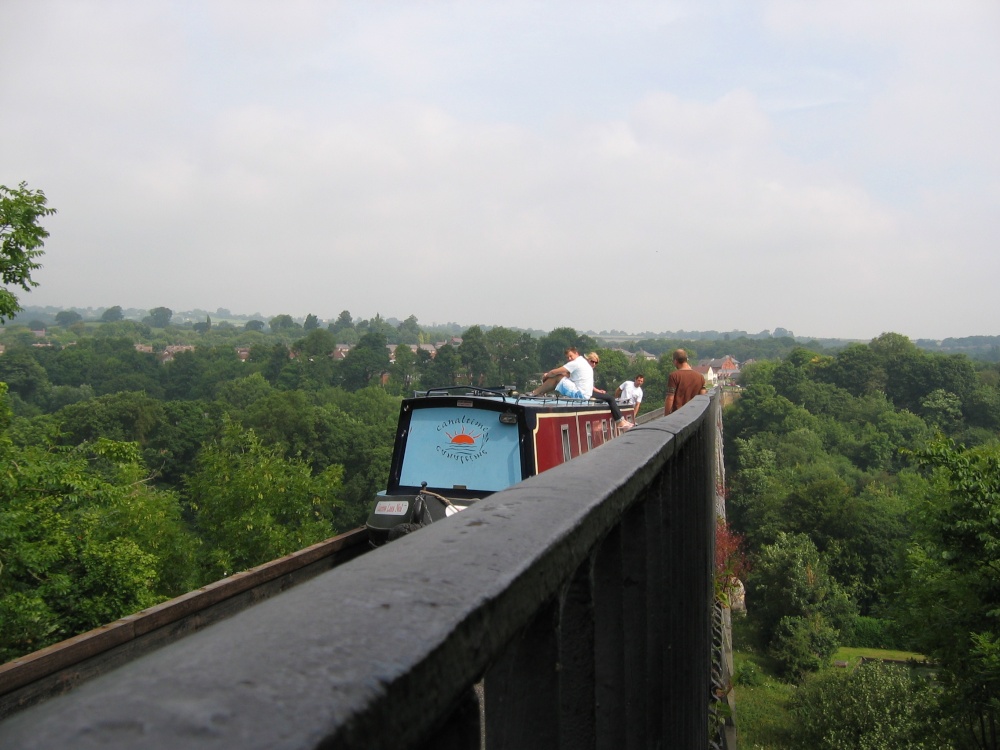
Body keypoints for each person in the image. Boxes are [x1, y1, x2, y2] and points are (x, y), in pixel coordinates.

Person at [584, 353, 632, 431]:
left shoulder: (588, 369)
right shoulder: (586, 370)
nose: (594, 364)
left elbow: (590, 386)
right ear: (588, 360)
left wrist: (599, 391)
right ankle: (620, 422)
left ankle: (622, 420)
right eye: (592, 361)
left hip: (588, 391)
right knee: (611, 399)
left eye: (596, 362)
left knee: (607, 397)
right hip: (586, 393)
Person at [528, 345, 594, 399]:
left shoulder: (576, 363)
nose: (569, 359)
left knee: (557, 377)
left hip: (579, 395)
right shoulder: (583, 362)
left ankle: (535, 392)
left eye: (571, 356)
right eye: (567, 358)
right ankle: (541, 393)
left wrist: (546, 375)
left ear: (576, 353)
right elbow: (567, 376)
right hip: (586, 396)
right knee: (559, 378)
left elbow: (554, 372)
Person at [664, 349, 706, 414]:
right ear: (686, 360)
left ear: (675, 361)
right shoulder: (700, 377)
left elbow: (670, 398)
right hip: (695, 414)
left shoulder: (674, 376)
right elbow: (703, 396)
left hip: (678, 414)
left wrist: (666, 416)